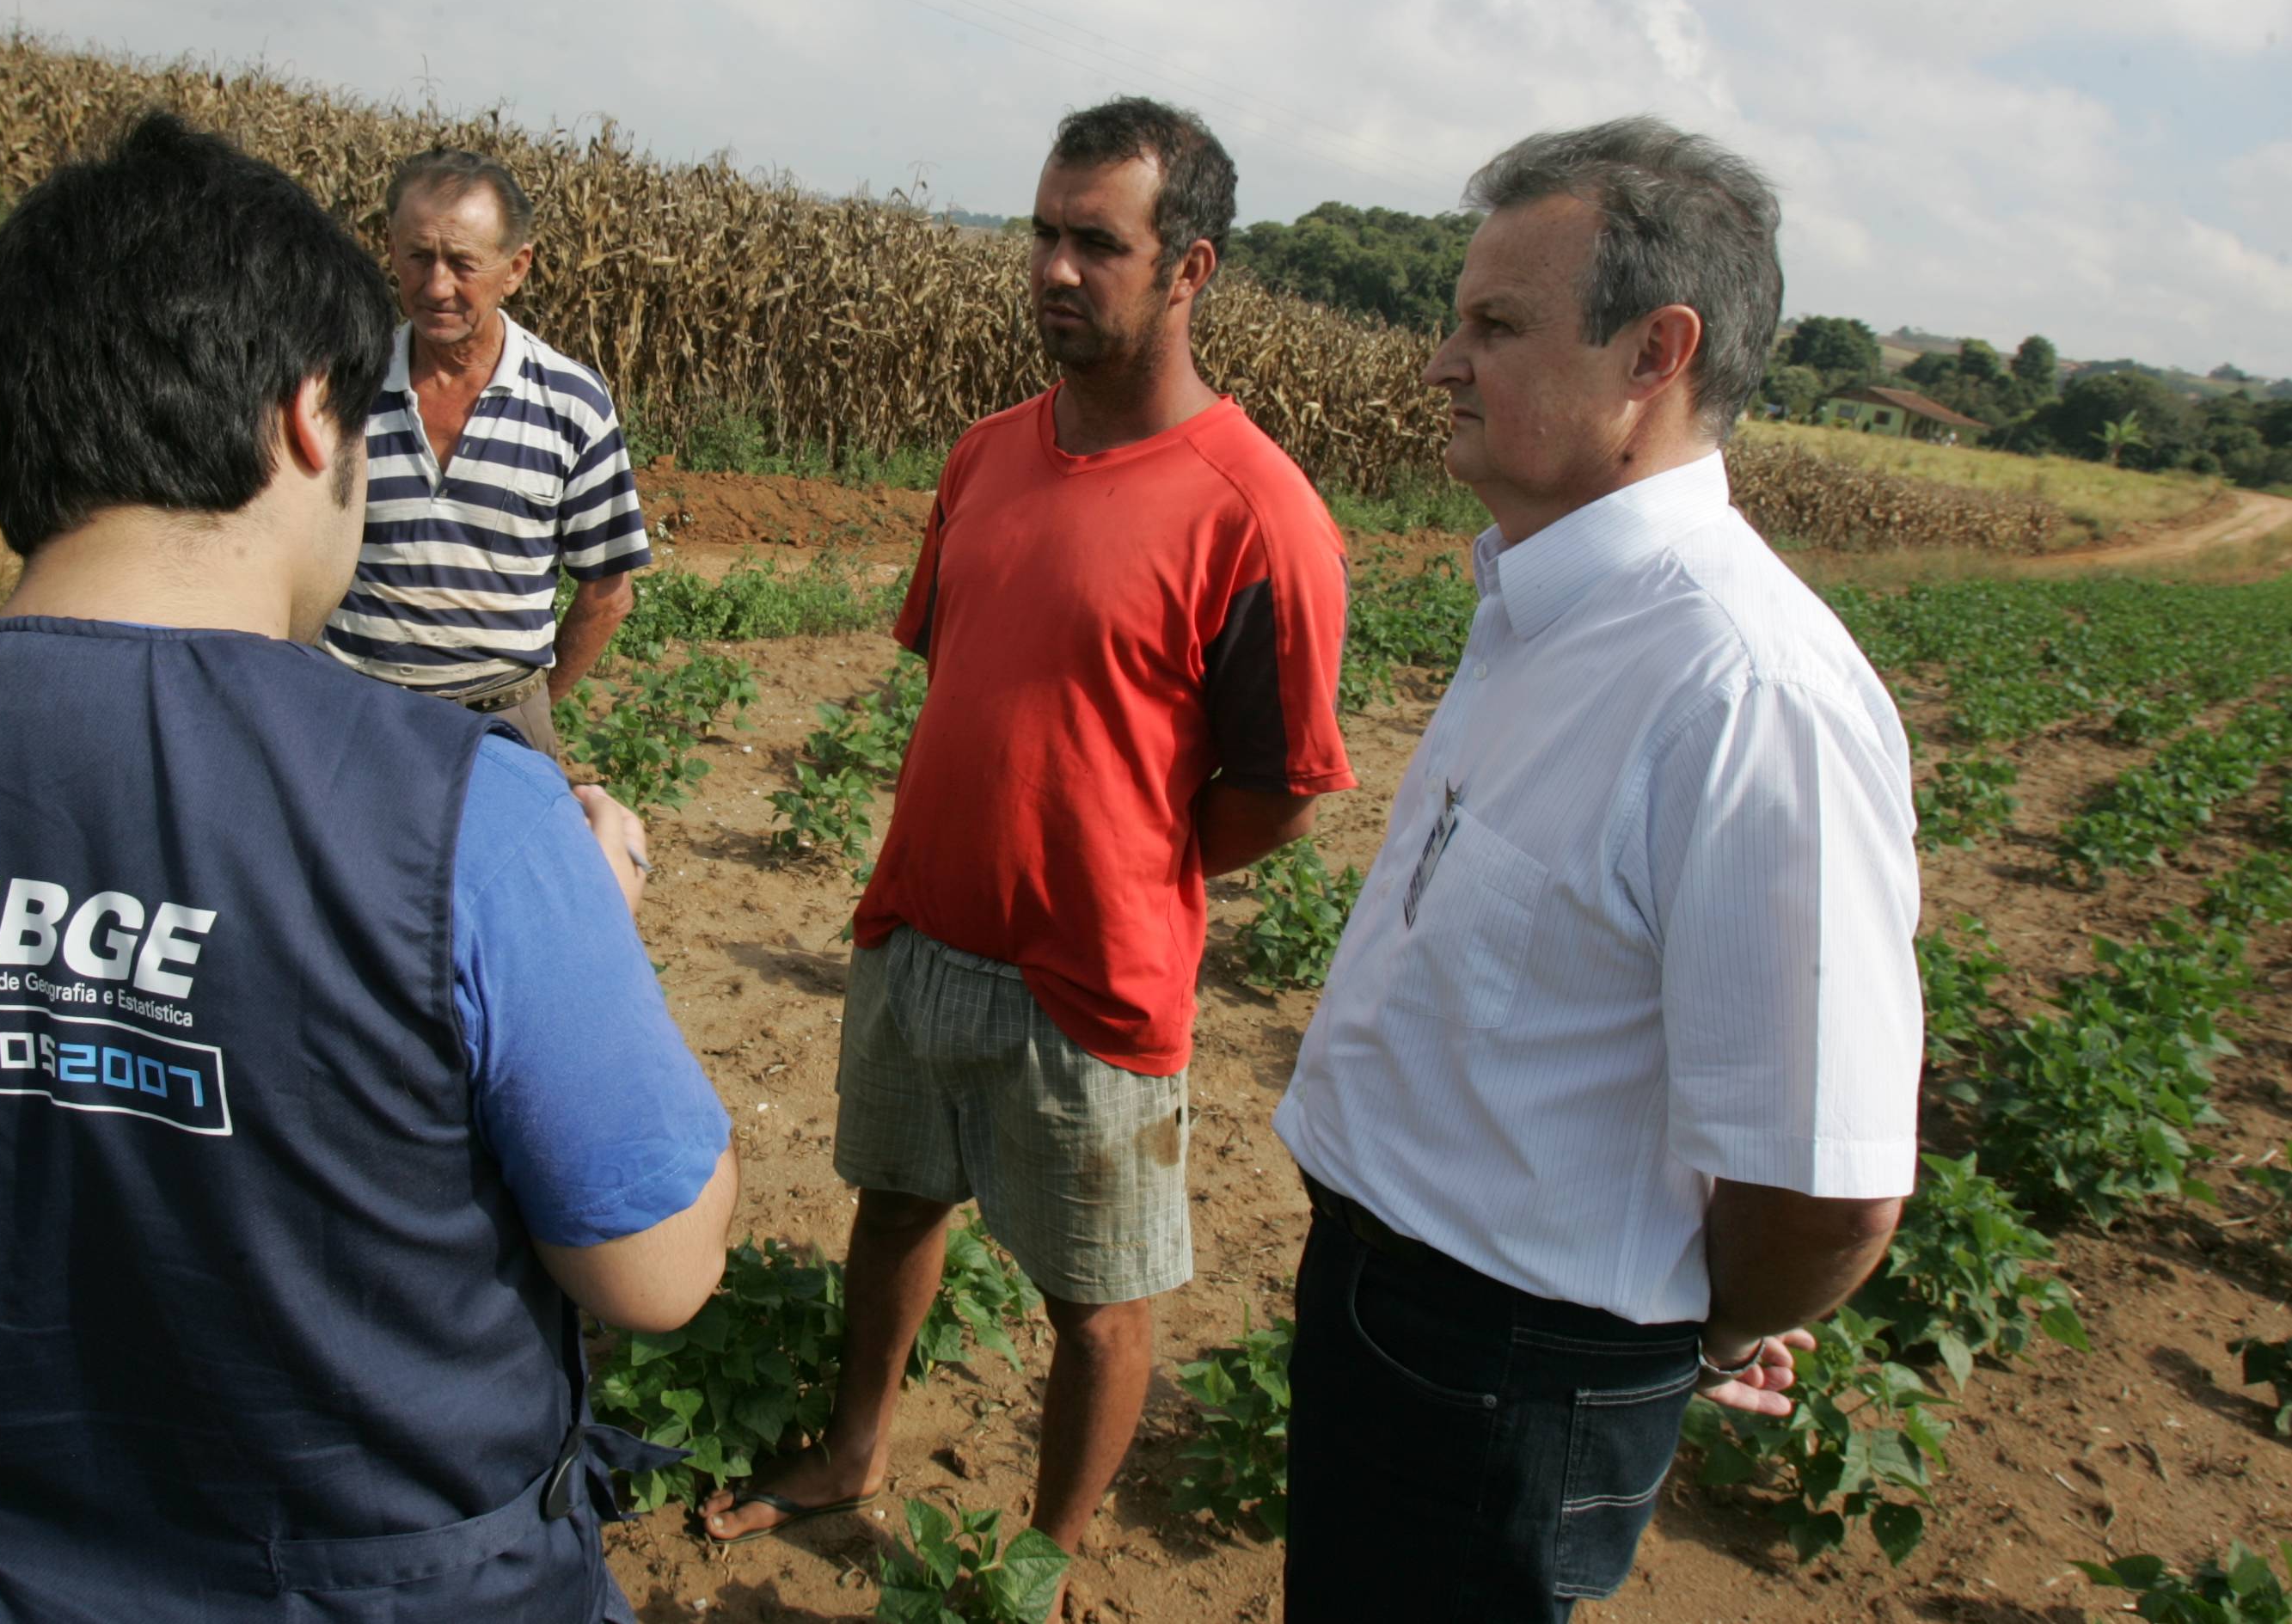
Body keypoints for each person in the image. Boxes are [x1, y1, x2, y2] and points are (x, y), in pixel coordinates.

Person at [0, 114, 738, 1620]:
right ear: (312, 417)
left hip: (22, 1559)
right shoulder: (474, 822)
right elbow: (658, 1270)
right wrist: (593, 922)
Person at [701, 97, 1357, 1596]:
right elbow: (965, 671)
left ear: (1188, 268)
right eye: (1043, 233)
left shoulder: (1261, 516)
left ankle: (1045, 1557)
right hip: (921, 923)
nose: (1055, 268)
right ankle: (855, 1447)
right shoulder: (988, 453)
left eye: (1097, 243)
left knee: (1098, 1296)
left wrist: (1118, 856)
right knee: (898, 1204)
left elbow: (1274, 793)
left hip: (1098, 976)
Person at [1270, 118, 1920, 1621]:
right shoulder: (1548, 601)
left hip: (1514, 1373)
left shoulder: (1745, 689)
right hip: (1394, 1308)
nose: (1444, 363)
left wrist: (1689, 1334)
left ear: (1656, 353)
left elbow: (1821, 1189)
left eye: (1495, 325)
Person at [322, 147, 649, 755]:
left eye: (462, 263)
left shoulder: (571, 402)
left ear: (516, 267)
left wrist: (528, 712)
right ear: (390, 250)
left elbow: (608, 594)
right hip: (351, 719)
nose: (436, 285)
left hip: (499, 726)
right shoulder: (342, 387)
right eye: (418, 257)